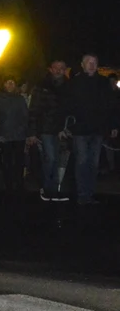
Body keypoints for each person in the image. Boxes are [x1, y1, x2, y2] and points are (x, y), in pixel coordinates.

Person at [63, 54, 119, 205]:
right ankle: (82, 194)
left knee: (93, 164)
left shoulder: (102, 82)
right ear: (82, 64)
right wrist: (67, 125)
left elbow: (111, 105)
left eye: (94, 62)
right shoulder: (75, 83)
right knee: (82, 162)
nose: (91, 65)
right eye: (89, 62)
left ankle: (89, 193)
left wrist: (113, 125)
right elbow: (67, 105)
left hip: (97, 129)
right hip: (80, 129)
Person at [28, 61, 69, 201]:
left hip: (60, 129)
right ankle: (47, 188)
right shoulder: (42, 85)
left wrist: (66, 128)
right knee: (50, 158)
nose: (59, 71)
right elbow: (34, 109)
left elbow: (68, 110)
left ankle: (54, 189)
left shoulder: (68, 86)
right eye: (56, 68)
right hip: (45, 127)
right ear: (50, 69)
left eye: (62, 68)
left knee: (57, 160)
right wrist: (33, 132)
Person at [0, 76, 29, 197]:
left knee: (19, 161)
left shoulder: (20, 99)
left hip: (19, 135)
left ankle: (19, 183)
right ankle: (8, 184)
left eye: (12, 83)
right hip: (5, 135)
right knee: (7, 161)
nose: (10, 85)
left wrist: (24, 131)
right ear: (4, 85)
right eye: (8, 83)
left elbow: (25, 117)